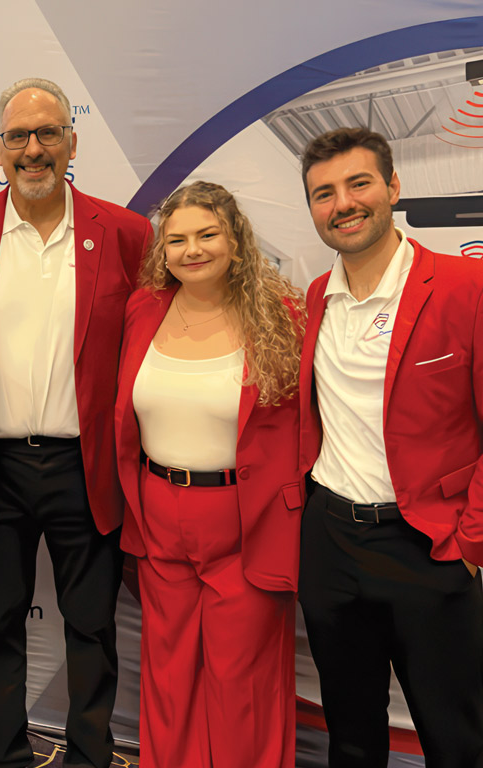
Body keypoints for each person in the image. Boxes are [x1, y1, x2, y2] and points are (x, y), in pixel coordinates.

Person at [0, 77, 152, 768]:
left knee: (92, 627)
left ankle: (89, 757)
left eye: (48, 133)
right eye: (19, 135)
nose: (34, 149)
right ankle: (5, 757)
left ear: (72, 143)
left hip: (89, 469)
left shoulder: (127, 233)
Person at [297, 126, 483, 767]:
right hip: (330, 543)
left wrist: (468, 544)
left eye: (358, 183)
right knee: (349, 735)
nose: (342, 203)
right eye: (324, 193)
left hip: (428, 546)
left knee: (456, 738)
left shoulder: (465, 288)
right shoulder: (315, 299)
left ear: (393, 186)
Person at [115, 181, 303, 767]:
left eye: (206, 235)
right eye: (177, 240)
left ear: (237, 242)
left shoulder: (281, 314)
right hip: (159, 515)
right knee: (168, 675)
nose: (192, 249)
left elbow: (304, 430)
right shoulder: (143, 309)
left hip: (246, 523)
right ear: (161, 251)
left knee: (239, 680)